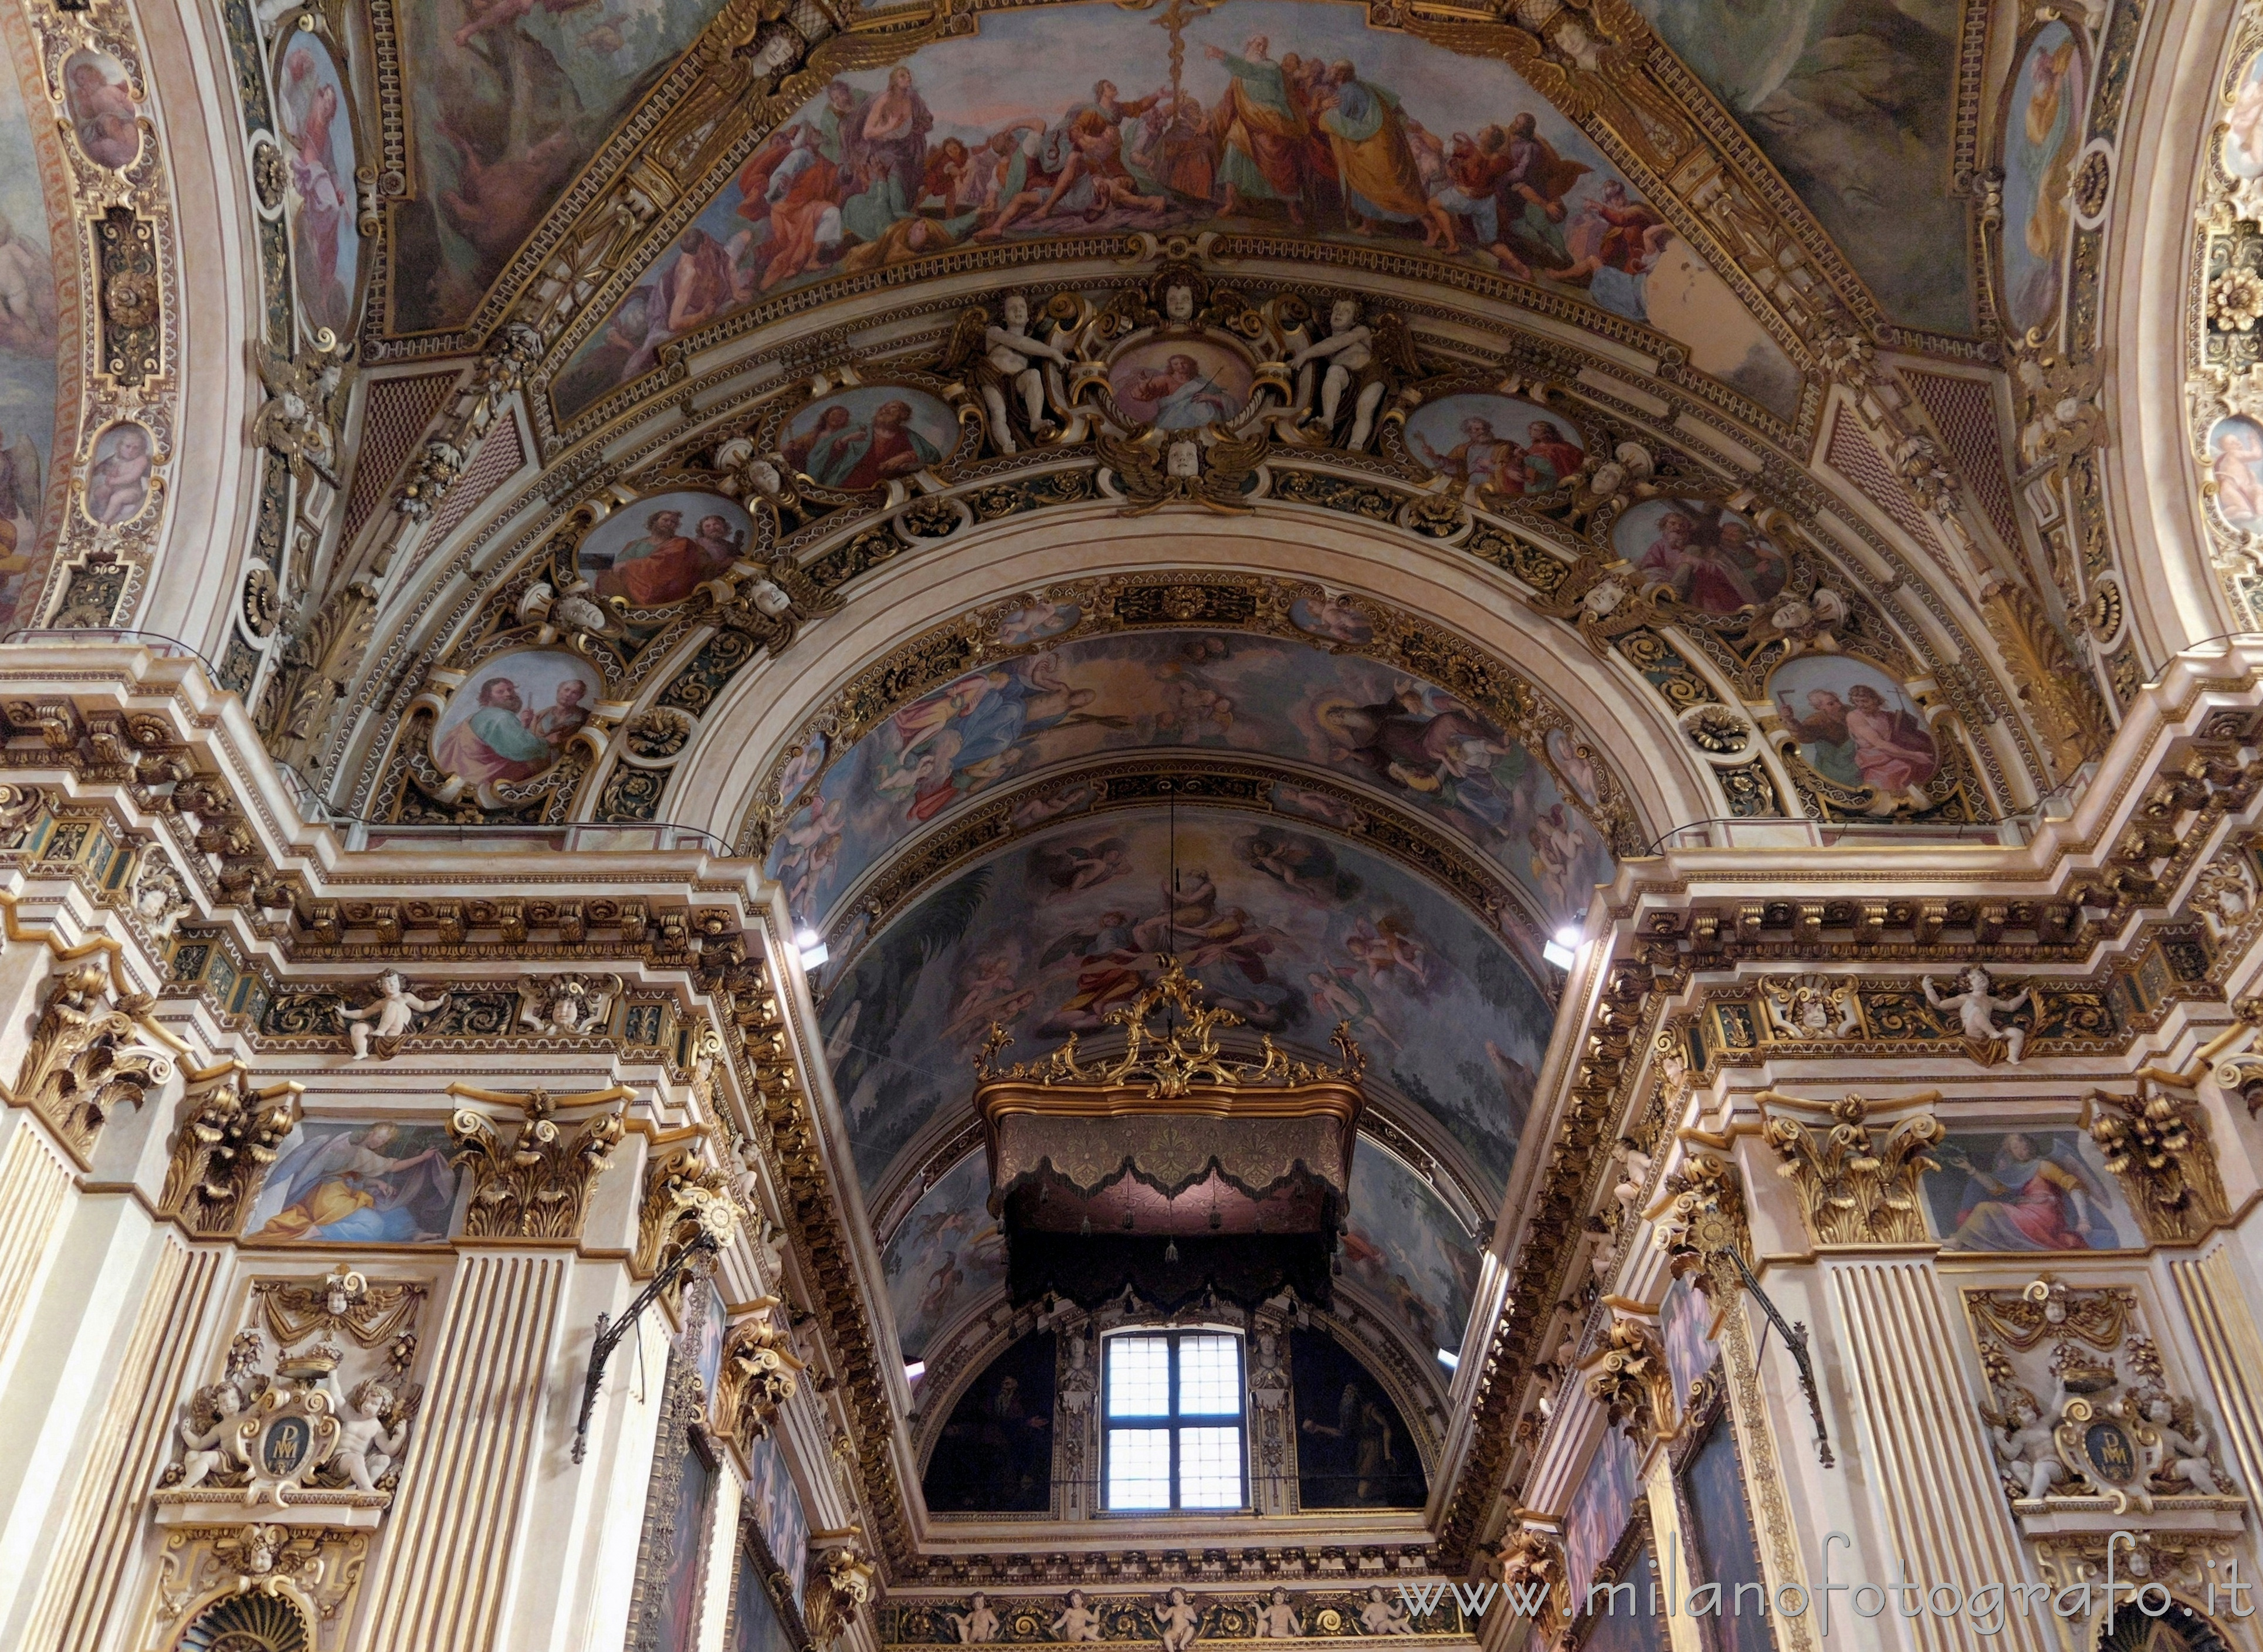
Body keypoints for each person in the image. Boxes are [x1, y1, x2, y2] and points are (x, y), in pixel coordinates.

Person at [1313, 60, 1454, 249]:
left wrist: (1323, 109)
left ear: (1339, 75)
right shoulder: (1363, 86)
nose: (1329, 71)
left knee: (1394, 192)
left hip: (1371, 150)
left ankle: (1432, 227)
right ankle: (1368, 226)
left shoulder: (1347, 92)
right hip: (1377, 147)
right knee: (1367, 190)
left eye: (1333, 69)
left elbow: (1341, 121)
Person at [1205, 37, 1309, 224]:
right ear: (1248, 46)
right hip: (1246, 122)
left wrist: (1223, 56)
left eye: (1264, 46)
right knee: (1233, 147)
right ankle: (1231, 201)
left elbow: (1253, 71)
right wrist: (1209, 119)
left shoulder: (1271, 68)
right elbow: (1227, 101)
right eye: (1257, 44)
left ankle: (1292, 207)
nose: (1261, 48)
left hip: (1273, 122)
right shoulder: (1238, 76)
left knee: (1283, 161)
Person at [1938, 1134, 2100, 1251]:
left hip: (2045, 1216)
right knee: (1988, 1211)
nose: (2022, 1148)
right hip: (2026, 1212)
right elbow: (1996, 1187)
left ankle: (1959, 1243)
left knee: (1985, 1208)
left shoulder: (2043, 1165)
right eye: (2015, 1147)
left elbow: (2074, 1187)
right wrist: (1970, 1169)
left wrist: (2084, 1219)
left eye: (2024, 1143)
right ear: (2011, 1153)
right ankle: (1966, 1242)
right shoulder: (2017, 1172)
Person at [435, 676, 558, 783]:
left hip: (465, 774)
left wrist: (523, 726)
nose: (508, 694)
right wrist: (546, 742)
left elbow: (496, 741)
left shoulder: (480, 715)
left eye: (510, 690)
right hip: (485, 777)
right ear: (488, 697)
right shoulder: (500, 717)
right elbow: (520, 749)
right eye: (500, 692)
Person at [601, 507, 707, 606]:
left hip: (660, 591)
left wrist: (627, 565)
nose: (669, 524)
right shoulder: (636, 544)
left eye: (673, 522)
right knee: (601, 570)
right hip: (631, 587)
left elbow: (662, 565)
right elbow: (618, 563)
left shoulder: (680, 543)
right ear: (654, 521)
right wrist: (591, 562)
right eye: (665, 520)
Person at [1843, 682, 1937, 790]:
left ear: (1875, 700)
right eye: (1856, 702)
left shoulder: (1887, 716)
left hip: (1894, 751)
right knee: (1904, 770)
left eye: (1865, 701)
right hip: (1876, 758)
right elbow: (1879, 744)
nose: (1860, 705)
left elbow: (1900, 735)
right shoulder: (1854, 717)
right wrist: (1915, 755)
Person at [1124, 353, 1235, 429]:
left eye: (1184, 363)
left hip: (1205, 424)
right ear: (1171, 366)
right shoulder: (1164, 379)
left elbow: (1229, 401)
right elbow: (1141, 393)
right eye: (1176, 364)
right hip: (1171, 420)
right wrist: (1143, 387)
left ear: (1191, 365)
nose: (1180, 366)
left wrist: (1210, 397)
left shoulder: (1201, 382)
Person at [69, 59, 139, 170]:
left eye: (83, 78)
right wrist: (83, 102)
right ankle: (120, 146)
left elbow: (124, 100)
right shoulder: (91, 100)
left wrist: (134, 110)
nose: (83, 84)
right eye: (80, 83)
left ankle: (127, 150)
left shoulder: (109, 89)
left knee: (130, 130)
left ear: (95, 75)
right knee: (107, 122)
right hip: (104, 121)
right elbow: (87, 115)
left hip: (122, 117)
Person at [85, 428, 151, 524]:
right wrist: (110, 473)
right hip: (115, 487)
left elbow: (132, 477)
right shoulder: (118, 459)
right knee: (100, 492)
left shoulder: (141, 460)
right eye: (128, 446)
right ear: (120, 446)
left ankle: (105, 519)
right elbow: (109, 471)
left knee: (116, 498)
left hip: (132, 491)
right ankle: (104, 509)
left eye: (136, 448)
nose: (131, 451)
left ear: (142, 449)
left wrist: (115, 481)